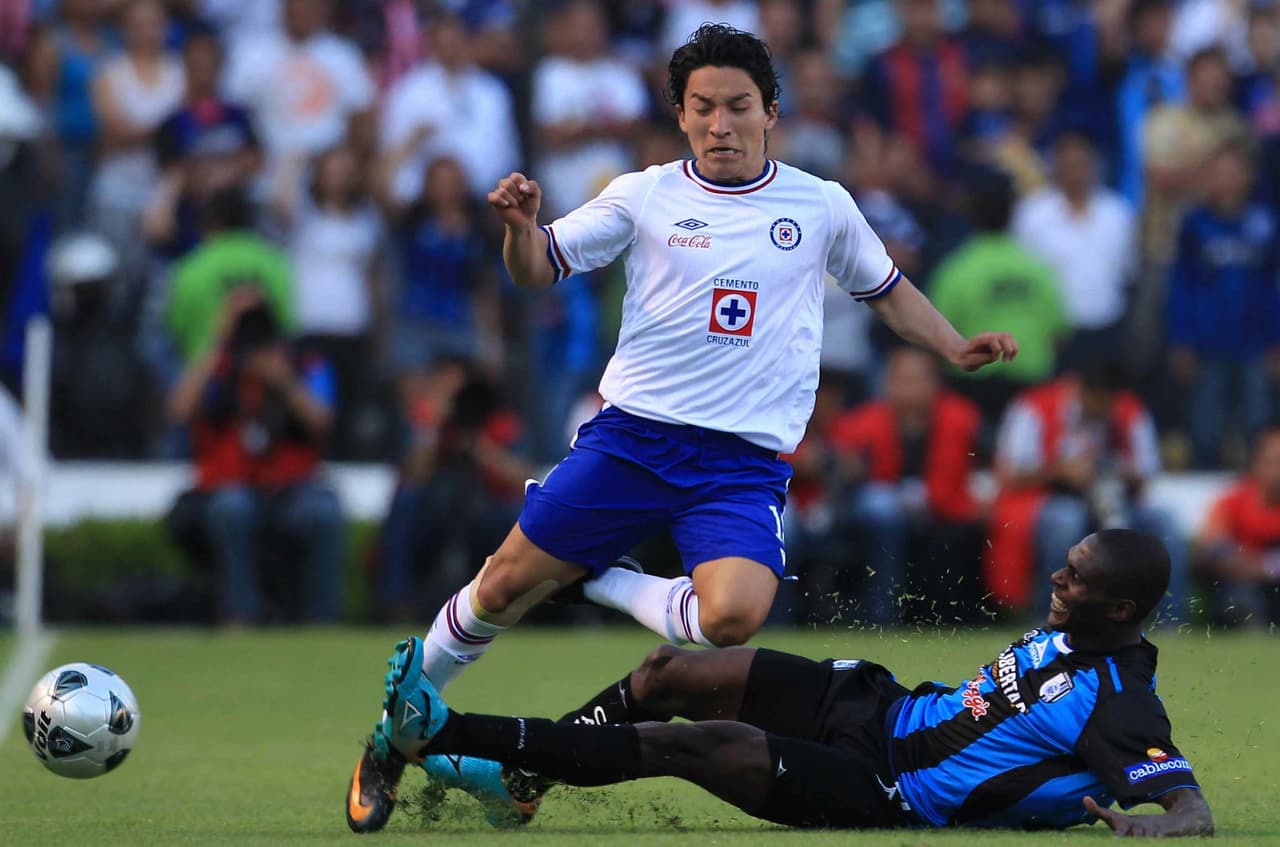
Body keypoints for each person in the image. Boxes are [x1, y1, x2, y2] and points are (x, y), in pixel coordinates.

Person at [345, 23, 1017, 833]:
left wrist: (953, 344)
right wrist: (521, 230)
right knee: (499, 588)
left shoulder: (820, 205)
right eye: (703, 108)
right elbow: (538, 268)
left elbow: (889, 289)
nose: (720, 124)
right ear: (681, 115)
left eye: (738, 106)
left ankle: (602, 578)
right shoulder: (646, 194)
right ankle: (388, 739)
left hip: (739, 464)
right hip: (632, 442)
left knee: (733, 616)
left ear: (771, 111)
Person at [375, 529, 1215, 836]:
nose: (1057, 581)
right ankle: (523, 784)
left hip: (885, 788)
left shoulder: (1120, 699)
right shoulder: (1075, 629)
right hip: (880, 704)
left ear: (1122, 608)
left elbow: (1192, 809)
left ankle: (443, 731)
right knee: (668, 669)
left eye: (1076, 578)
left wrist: (1153, 825)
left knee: (691, 745)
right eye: (1066, 566)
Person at [166, 296, 345, 624]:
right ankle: (241, 615)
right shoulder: (219, 367)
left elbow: (322, 420)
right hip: (231, 483)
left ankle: (323, 620)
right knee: (232, 508)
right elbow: (178, 410)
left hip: (291, 486)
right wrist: (216, 342)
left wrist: (283, 381)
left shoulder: (305, 364)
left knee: (325, 511)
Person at [986, 362, 1187, 621]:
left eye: (1109, 403)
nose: (1103, 410)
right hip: (1048, 499)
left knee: (1165, 523)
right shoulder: (1034, 406)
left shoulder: (1129, 410)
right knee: (1066, 521)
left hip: (1114, 499)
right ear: (1080, 390)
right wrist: (1059, 471)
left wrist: (1119, 471)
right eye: (1098, 402)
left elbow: (1146, 474)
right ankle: (1050, 616)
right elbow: (1009, 474)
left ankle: (1172, 621)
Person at [1193, 424, 1280, 627]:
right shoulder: (1232, 502)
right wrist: (1260, 566)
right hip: (1243, 586)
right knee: (1239, 596)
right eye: (1273, 462)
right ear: (1256, 462)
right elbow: (1206, 550)